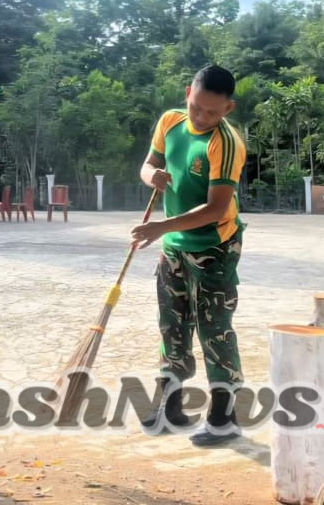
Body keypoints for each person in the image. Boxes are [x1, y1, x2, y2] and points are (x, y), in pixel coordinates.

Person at [130, 65, 247, 447]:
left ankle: (223, 418)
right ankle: (170, 406)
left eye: (212, 112)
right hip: (174, 247)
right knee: (172, 324)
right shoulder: (170, 121)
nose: (201, 117)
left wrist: (159, 228)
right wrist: (153, 177)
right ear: (187, 94)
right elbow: (148, 164)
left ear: (228, 108)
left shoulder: (227, 144)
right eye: (196, 107)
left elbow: (216, 208)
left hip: (214, 247)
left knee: (214, 328)